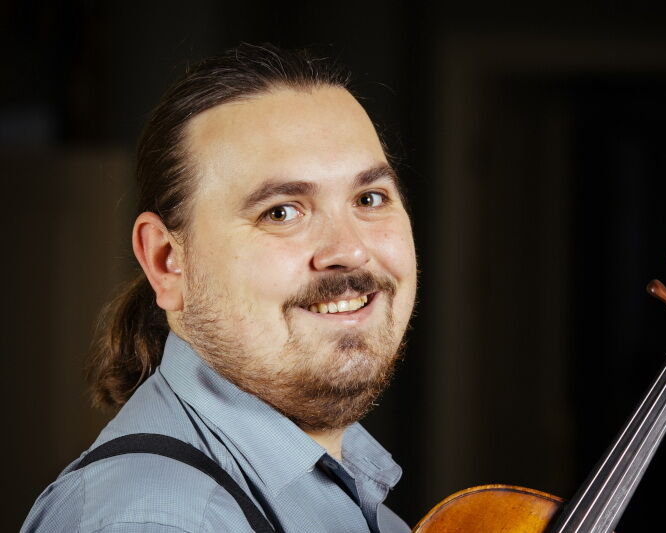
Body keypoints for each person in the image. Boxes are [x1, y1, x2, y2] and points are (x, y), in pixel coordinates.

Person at [22, 42, 417, 533]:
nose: (350, 250)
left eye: (370, 198)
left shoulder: (356, 498)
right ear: (167, 262)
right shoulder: (160, 520)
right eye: (281, 212)